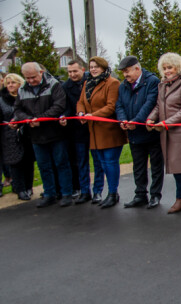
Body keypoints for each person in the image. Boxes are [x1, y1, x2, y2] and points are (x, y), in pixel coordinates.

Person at [12, 62, 73, 208]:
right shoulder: (22, 89)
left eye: (33, 77)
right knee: (43, 166)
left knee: (61, 164)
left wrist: (41, 119)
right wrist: (26, 119)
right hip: (35, 135)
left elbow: (59, 106)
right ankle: (49, 194)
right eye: (27, 78)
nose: (31, 81)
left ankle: (66, 194)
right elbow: (17, 110)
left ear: (40, 72)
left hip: (55, 133)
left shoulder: (53, 85)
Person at [147, 52, 181, 214]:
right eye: (164, 68)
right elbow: (157, 106)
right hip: (165, 132)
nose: (167, 71)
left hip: (180, 131)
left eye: (170, 67)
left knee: (179, 166)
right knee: (175, 166)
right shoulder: (163, 84)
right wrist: (151, 118)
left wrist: (166, 123)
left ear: (178, 67)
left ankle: (180, 198)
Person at [77, 56, 127, 209]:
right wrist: (80, 113)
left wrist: (93, 115)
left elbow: (111, 106)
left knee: (110, 163)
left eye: (96, 67)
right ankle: (107, 192)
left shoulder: (112, 83)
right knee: (101, 163)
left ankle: (113, 193)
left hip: (109, 131)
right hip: (94, 131)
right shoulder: (87, 83)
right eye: (91, 66)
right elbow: (81, 102)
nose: (93, 69)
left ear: (104, 67)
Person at [116, 56, 164, 209]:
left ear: (137, 69)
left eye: (127, 71)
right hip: (133, 133)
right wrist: (123, 120)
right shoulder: (123, 86)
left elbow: (150, 103)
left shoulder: (152, 81)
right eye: (123, 72)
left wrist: (136, 121)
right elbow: (119, 106)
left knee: (156, 165)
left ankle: (155, 195)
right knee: (138, 166)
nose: (125, 75)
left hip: (150, 131)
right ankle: (140, 194)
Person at [61, 59, 105, 205]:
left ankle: (98, 191)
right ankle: (84, 191)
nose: (72, 74)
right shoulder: (65, 86)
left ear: (82, 69)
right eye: (69, 72)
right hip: (77, 129)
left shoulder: (93, 81)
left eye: (75, 71)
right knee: (81, 162)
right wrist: (66, 116)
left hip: (95, 127)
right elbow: (68, 106)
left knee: (98, 162)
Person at [0, 73, 35, 200]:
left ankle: (28, 187)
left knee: (28, 162)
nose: (10, 85)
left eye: (13, 82)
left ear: (19, 84)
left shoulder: (26, 97)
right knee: (15, 163)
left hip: (26, 134)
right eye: (8, 83)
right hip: (9, 136)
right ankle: (19, 189)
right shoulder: (1, 99)